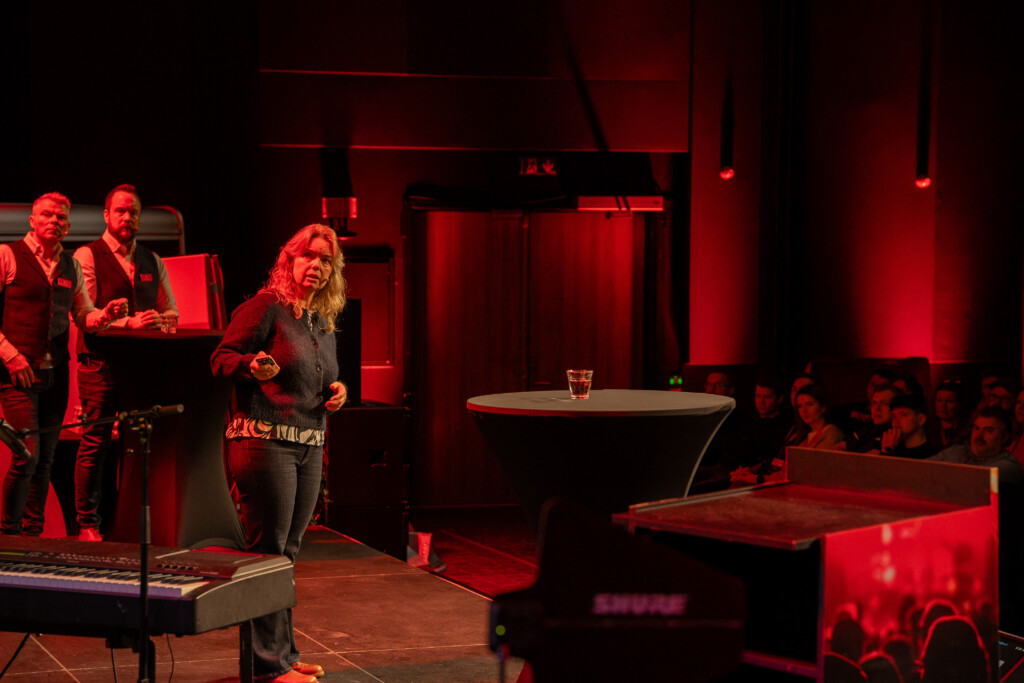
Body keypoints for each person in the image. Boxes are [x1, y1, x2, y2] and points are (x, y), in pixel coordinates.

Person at [210, 223, 348, 683]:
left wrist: (338, 391)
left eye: (326, 260)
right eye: (309, 256)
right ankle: (266, 667)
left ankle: (283, 657)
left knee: (286, 552)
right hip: (264, 443)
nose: (317, 266)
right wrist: (251, 365)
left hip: (309, 444)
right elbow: (221, 358)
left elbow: (320, 375)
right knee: (268, 552)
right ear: (289, 260)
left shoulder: (321, 320)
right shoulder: (266, 306)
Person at [0, 192, 125, 536]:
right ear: (32, 220)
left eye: (61, 218)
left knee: (45, 461)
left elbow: (83, 315)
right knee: (26, 455)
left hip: (56, 375)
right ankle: (8, 535)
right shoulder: (7, 255)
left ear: (68, 225)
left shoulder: (69, 265)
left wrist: (107, 315)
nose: (54, 222)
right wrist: (10, 356)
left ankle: (32, 535)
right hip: (17, 374)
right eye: (47, 215)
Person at [71, 184, 179, 541]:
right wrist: (127, 322)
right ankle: (88, 524)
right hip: (99, 365)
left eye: (132, 211)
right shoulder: (86, 256)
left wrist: (163, 322)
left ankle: (132, 523)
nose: (127, 217)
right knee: (95, 443)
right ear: (106, 215)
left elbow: (172, 310)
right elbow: (83, 315)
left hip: (140, 368)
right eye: (120, 210)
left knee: (139, 446)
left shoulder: (152, 259)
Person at [929, 406, 1024, 484]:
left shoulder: (1008, 466)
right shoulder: (956, 451)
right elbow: (920, 469)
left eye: (989, 430)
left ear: (1005, 437)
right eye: (976, 428)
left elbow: (970, 483)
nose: (979, 435)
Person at [845, 384, 901, 453]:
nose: (877, 408)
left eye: (884, 403)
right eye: (874, 403)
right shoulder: (866, 429)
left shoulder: (893, 437)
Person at [881, 394, 937, 459]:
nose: (896, 421)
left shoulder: (933, 455)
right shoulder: (894, 449)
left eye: (903, 415)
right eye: (894, 416)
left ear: (920, 419)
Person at [793, 383, 844, 449]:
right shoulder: (802, 438)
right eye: (800, 406)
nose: (804, 410)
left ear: (823, 407)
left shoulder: (831, 433)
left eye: (809, 404)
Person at [927, 380, 967, 448]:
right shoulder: (927, 430)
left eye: (949, 401)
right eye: (939, 400)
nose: (943, 406)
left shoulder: (967, 430)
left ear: (960, 405)